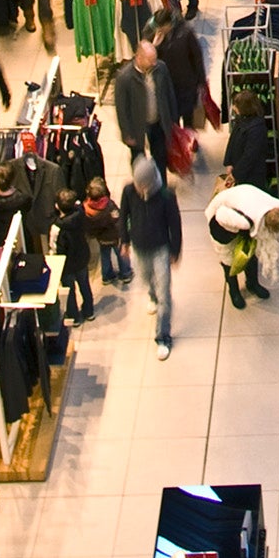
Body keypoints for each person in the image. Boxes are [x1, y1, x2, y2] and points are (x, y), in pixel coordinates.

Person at [205, 182, 279, 309]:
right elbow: (221, 215)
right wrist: (234, 232)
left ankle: (252, 284)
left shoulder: (277, 206)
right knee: (229, 260)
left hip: (242, 208)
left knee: (250, 254)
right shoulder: (242, 222)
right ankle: (234, 291)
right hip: (222, 222)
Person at [119, 156, 181, 360]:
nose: (139, 188)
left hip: (160, 249)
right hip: (139, 247)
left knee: (165, 294)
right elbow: (124, 215)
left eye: (142, 184)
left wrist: (175, 250)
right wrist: (125, 241)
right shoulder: (129, 192)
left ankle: (163, 336)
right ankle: (152, 295)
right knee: (146, 279)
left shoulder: (166, 196)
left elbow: (175, 224)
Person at [114, 38, 178, 176]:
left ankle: (161, 187)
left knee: (160, 158)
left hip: (157, 123)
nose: (154, 63)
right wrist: (126, 133)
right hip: (137, 127)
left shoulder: (161, 68)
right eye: (150, 60)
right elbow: (121, 110)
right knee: (139, 162)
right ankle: (141, 188)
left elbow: (169, 94)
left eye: (155, 59)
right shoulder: (124, 78)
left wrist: (173, 121)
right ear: (139, 57)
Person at [151, 7, 206, 129]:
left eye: (162, 27)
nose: (160, 30)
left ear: (169, 24)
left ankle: (190, 142)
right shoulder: (156, 34)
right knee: (172, 119)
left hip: (186, 84)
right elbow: (151, 60)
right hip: (168, 85)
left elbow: (197, 57)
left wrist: (201, 82)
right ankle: (177, 144)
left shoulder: (186, 32)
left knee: (188, 118)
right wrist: (155, 46)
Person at [54, 186, 95, 323]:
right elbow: (79, 205)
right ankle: (89, 311)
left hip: (67, 265)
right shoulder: (81, 214)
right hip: (82, 258)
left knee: (70, 291)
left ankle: (74, 316)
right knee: (85, 285)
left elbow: (55, 248)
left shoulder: (58, 228)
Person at [84, 174, 129, 286]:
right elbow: (117, 219)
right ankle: (125, 273)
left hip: (101, 238)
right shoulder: (109, 206)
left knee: (104, 255)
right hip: (114, 236)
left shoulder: (87, 209)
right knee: (120, 254)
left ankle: (107, 276)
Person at [222, 90, 271, 191]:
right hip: (239, 171)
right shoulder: (240, 120)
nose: (234, 108)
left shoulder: (257, 128)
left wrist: (236, 174)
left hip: (252, 175)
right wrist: (229, 162)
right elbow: (232, 140)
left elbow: (250, 155)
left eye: (236, 105)